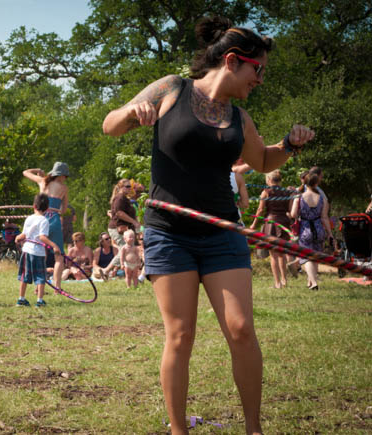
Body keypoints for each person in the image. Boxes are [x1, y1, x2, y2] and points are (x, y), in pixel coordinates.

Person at [102, 16, 315, 435]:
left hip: (222, 231)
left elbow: (264, 161)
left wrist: (289, 144)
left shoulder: (240, 119)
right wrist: (132, 112)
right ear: (234, 61)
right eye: (259, 70)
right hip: (169, 230)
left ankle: (254, 429)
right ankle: (178, 430)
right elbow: (111, 124)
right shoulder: (171, 89)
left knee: (240, 328)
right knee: (180, 335)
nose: (261, 79)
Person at [23, 162, 69, 290]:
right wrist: (57, 209)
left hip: (40, 218)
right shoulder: (64, 188)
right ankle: (57, 287)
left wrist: (38, 169)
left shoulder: (43, 181)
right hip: (54, 219)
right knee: (59, 255)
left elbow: (25, 172)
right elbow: (64, 210)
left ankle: (38, 287)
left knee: (40, 253)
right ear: (62, 175)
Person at [15, 193, 61, 307]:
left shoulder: (29, 218)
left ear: (34, 206)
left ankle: (21, 299)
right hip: (38, 253)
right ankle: (39, 301)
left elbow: (24, 235)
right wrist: (54, 246)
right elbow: (42, 237)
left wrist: (18, 237)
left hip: (26, 251)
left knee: (24, 276)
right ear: (47, 208)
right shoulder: (44, 220)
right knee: (40, 276)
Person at [250, 170, 292, 288]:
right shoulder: (286, 192)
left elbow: (260, 210)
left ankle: (277, 283)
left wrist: (254, 224)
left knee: (273, 254)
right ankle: (284, 280)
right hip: (284, 222)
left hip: (271, 224)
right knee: (282, 253)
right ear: (280, 180)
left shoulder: (266, 192)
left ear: (268, 180)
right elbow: (289, 210)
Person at [290, 173, 331, 290]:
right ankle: (310, 280)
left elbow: (293, 214)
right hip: (319, 229)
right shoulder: (323, 199)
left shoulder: (299, 197)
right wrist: (330, 233)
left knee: (305, 257)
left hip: (305, 229)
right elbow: (324, 217)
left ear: (305, 183)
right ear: (317, 184)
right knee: (316, 256)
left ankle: (313, 282)